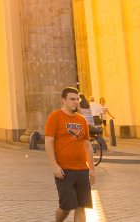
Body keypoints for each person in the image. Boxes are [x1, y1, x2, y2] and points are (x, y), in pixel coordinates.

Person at [45, 88, 96, 222]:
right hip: (64, 170)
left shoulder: (82, 120)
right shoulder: (55, 117)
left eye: (77, 99)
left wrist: (92, 169)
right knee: (66, 207)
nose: (76, 102)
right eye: (72, 99)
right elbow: (48, 143)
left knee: (81, 207)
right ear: (64, 100)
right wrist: (54, 166)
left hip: (82, 170)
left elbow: (87, 145)